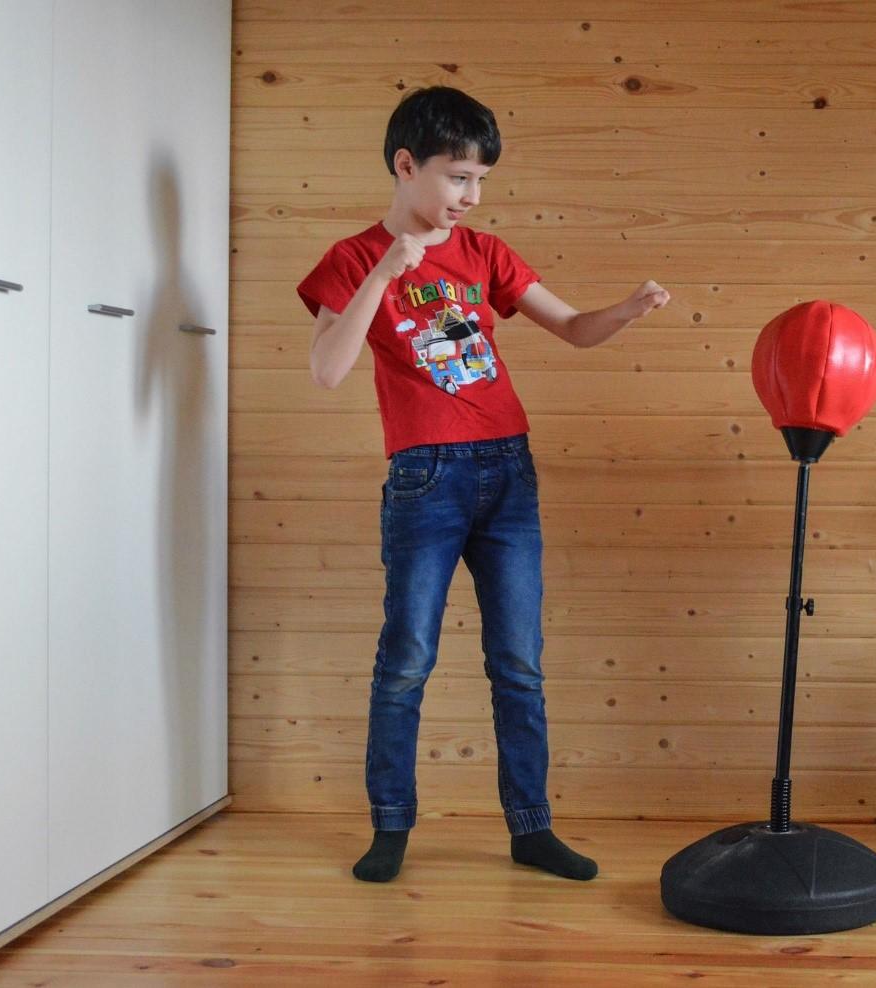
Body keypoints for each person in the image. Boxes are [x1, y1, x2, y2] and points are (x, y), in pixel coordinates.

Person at [297, 86, 669, 884]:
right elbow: (327, 371)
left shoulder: (486, 254)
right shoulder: (354, 259)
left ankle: (531, 829)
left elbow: (571, 328)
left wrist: (629, 310)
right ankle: (391, 827)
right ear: (406, 166)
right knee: (406, 659)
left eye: (481, 182)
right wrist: (390, 268)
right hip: (425, 478)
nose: (471, 197)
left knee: (519, 663)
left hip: (507, 471)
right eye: (459, 177)